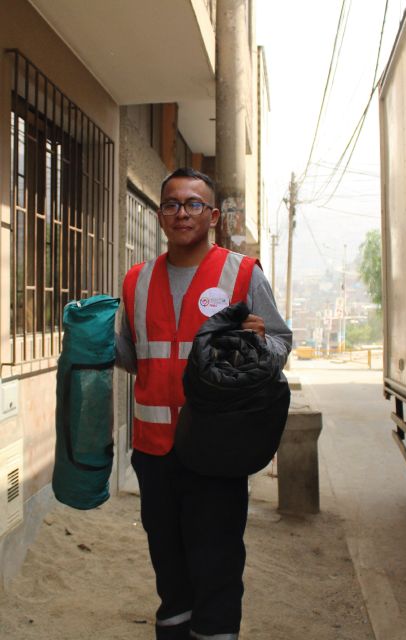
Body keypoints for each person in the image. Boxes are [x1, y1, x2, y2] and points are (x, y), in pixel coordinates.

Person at [116, 167, 292, 640]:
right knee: (169, 572)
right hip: (154, 452)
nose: (182, 213)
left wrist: (258, 350)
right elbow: (134, 357)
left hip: (218, 449)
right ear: (159, 216)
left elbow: (279, 342)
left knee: (216, 568)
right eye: (172, 204)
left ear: (212, 216)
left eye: (194, 204)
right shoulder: (136, 280)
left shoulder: (241, 272)